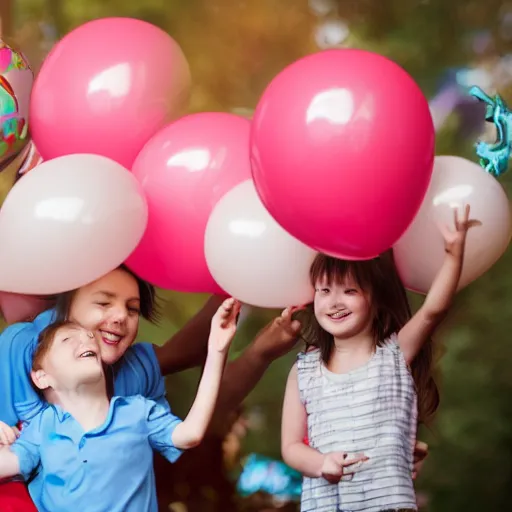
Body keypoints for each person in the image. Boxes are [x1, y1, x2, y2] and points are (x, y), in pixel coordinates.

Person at [0, 265, 429, 507]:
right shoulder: (27, 348)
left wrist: (250, 336)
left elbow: (197, 414)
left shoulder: (133, 382)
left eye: (132, 309)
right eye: (102, 303)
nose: (120, 317)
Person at [281, 206, 479, 512]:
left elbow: (432, 311)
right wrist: (322, 463)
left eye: (349, 290)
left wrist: (453, 255)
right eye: (324, 290)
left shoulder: (394, 353)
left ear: (375, 299)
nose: (334, 302)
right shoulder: (304, 370)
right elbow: (291, 447)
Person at [0, 296, 239, 512]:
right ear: (41, 377)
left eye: (88, 337)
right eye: (66, 339)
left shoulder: (138, 411)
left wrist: (217, 351)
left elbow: (191, 434)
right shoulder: (41, 427)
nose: (85, 339)